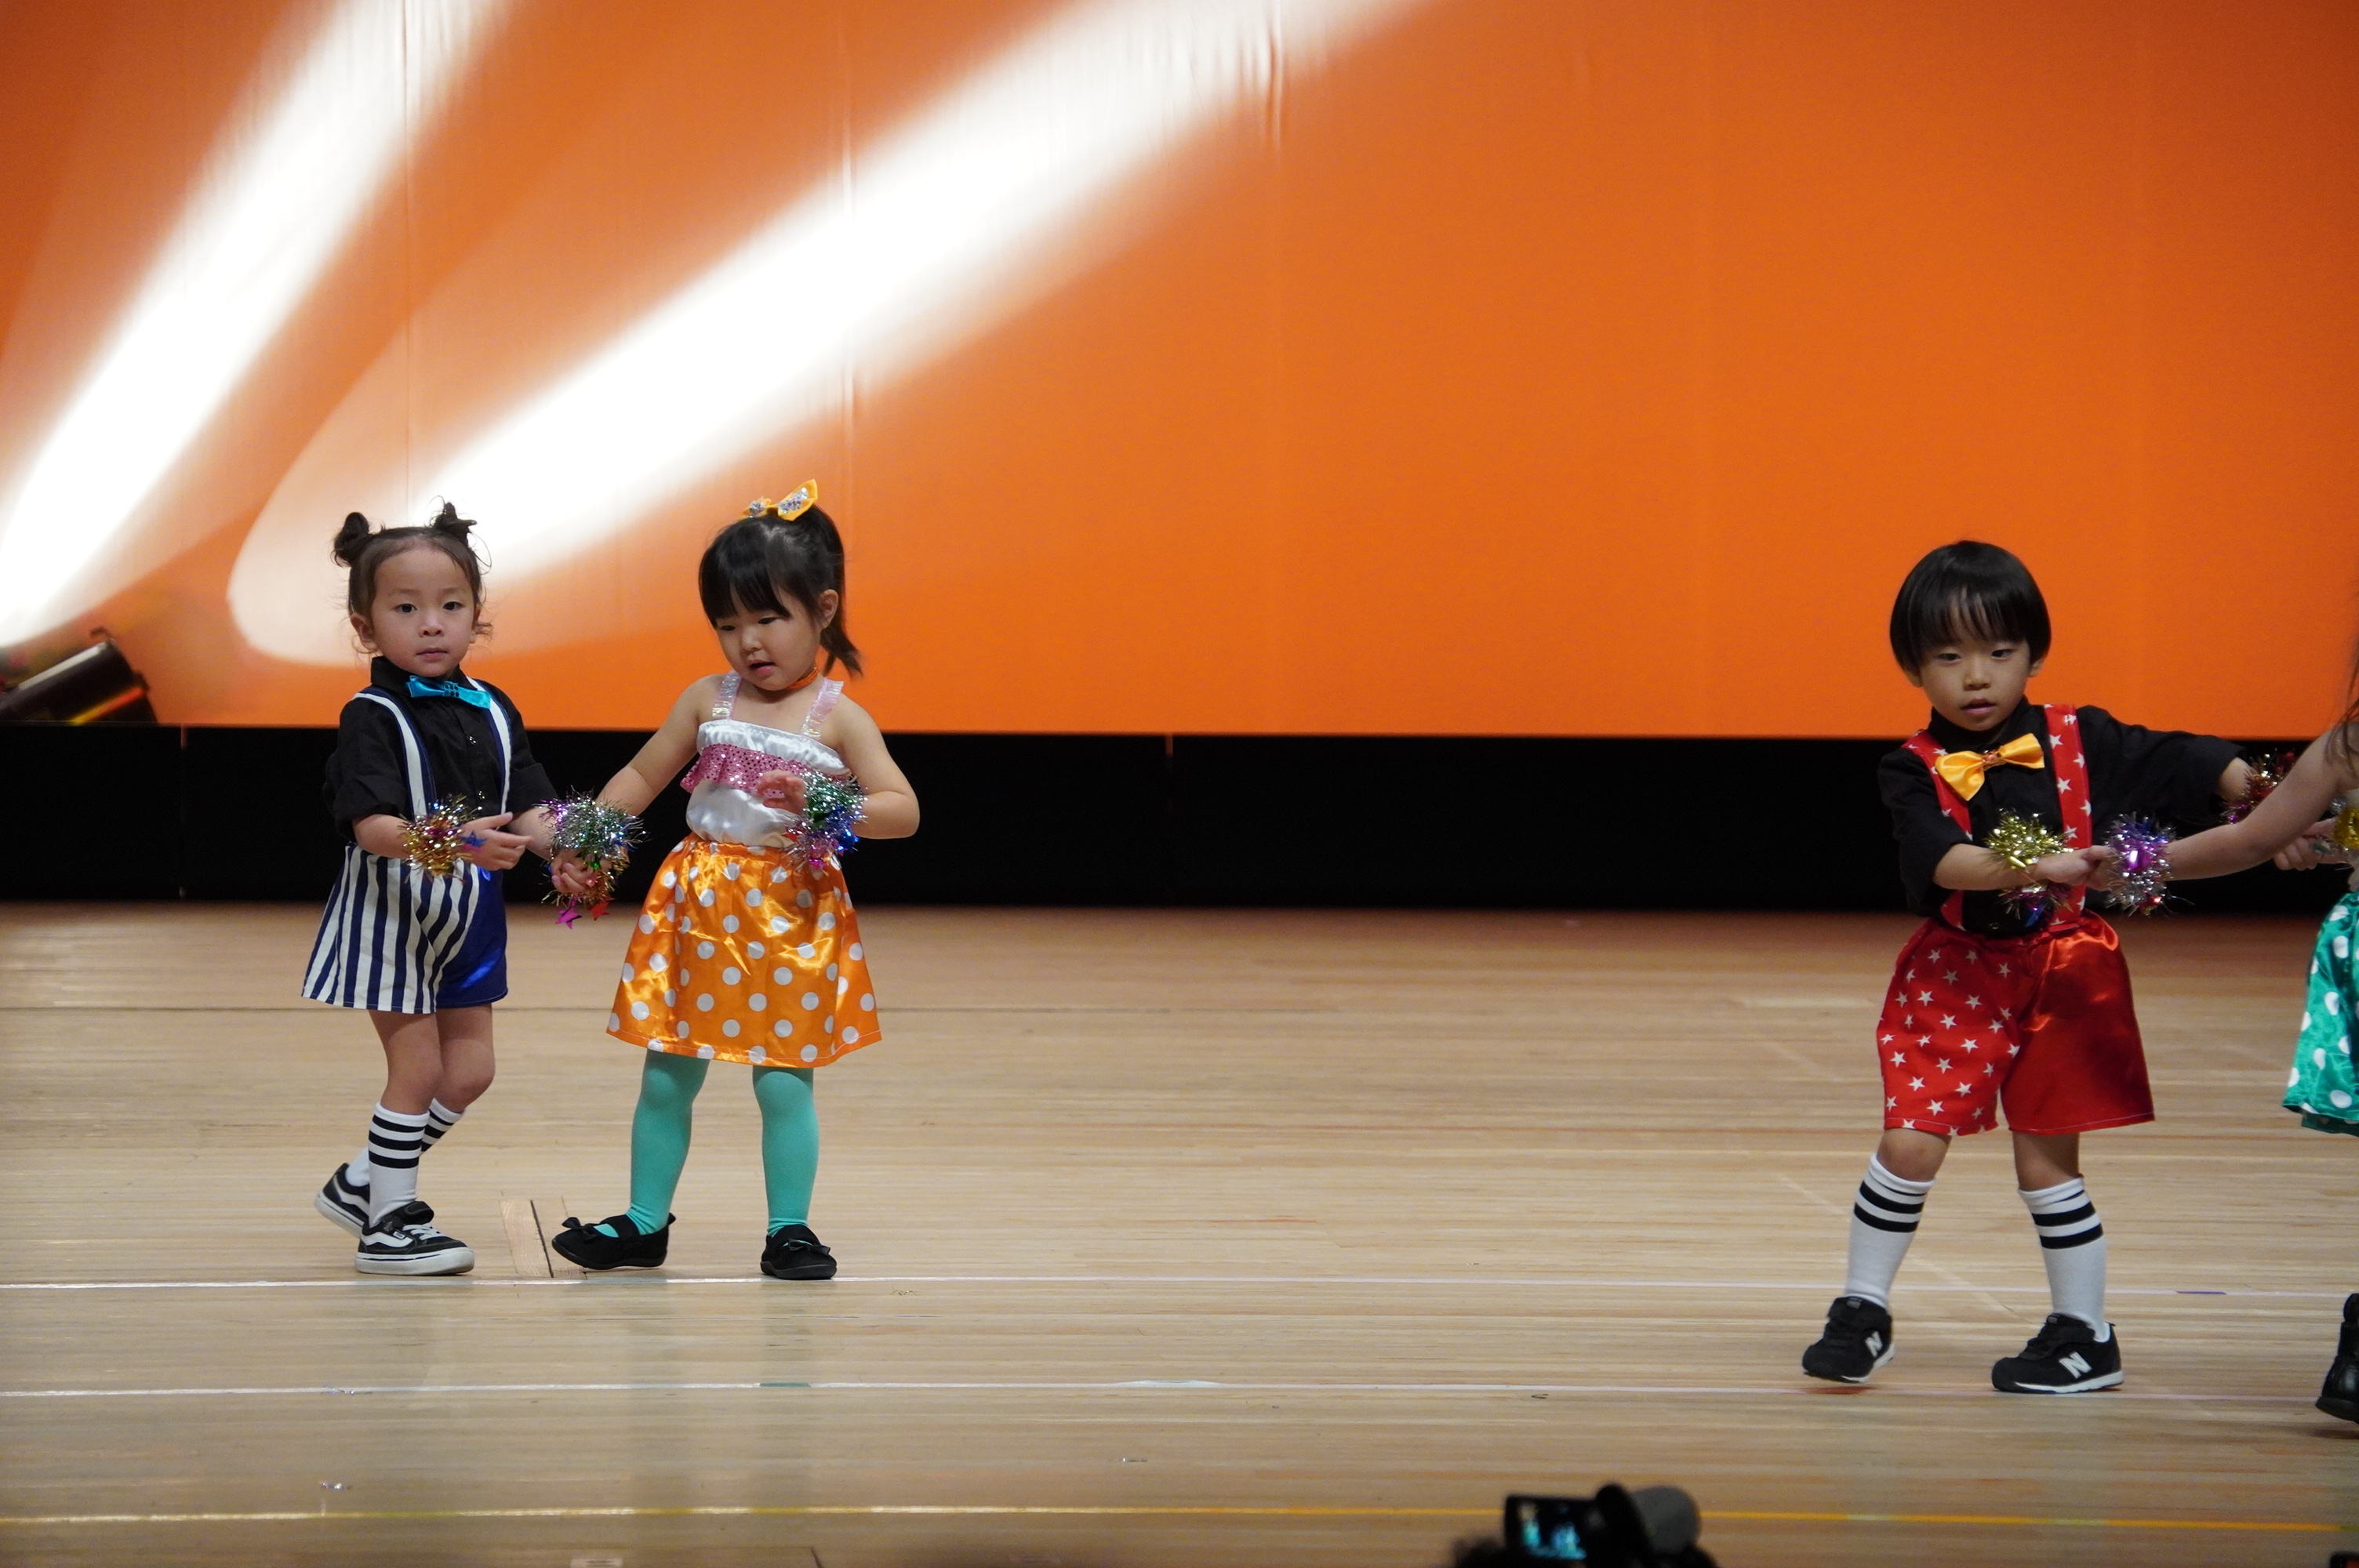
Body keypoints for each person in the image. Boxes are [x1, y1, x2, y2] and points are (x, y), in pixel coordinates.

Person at [1801, 541, 2251, 1392]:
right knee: (1909, 1141)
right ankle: (1862, 1308)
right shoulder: (1910, 767)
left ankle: (2085, 1335)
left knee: (2046, 1165)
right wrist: (2034, 863)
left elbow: (2193, 760)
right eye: (1948, 657)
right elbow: (1945, 862)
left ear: (2033, 655)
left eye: (1998, 652)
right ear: (1912, 668)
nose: (1976, 676)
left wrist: (2270, 802)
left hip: (2066, 972)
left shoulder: (2082, 735)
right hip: (1957, 973)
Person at [548, 484, 918, 1279]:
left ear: (822, 609)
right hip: (699, 903)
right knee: (667, 1071)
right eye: (727, 623)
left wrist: (824, 801)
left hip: (790, 909)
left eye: (768, 617)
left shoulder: (837, 717)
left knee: (782, 1083)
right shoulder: (706, 699)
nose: (747, 641)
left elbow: (902, 810)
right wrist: (587, 842)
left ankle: (790, 1229)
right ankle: (644, 1222)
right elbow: (640, 776)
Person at [304, 504, 560, 1275]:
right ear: (365, 627)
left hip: (468, 915)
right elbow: (372, 827)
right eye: (406, 608)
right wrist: (456, 842)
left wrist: (568, 850)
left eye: (450, 605)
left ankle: (362, 1180)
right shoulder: (370, 714)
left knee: (471, 1071)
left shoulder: (494, 706)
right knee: (415, 1072)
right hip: (393, 915)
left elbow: (530, 804)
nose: (431, 624)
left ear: (476, 615)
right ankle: (388, 1224)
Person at [2132, 662, 2357, 1421]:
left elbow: (2261, 839)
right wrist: (2135, 864)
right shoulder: (2347, 747)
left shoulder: (2348, 746)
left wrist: (2335, 837)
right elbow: (2254, 838)